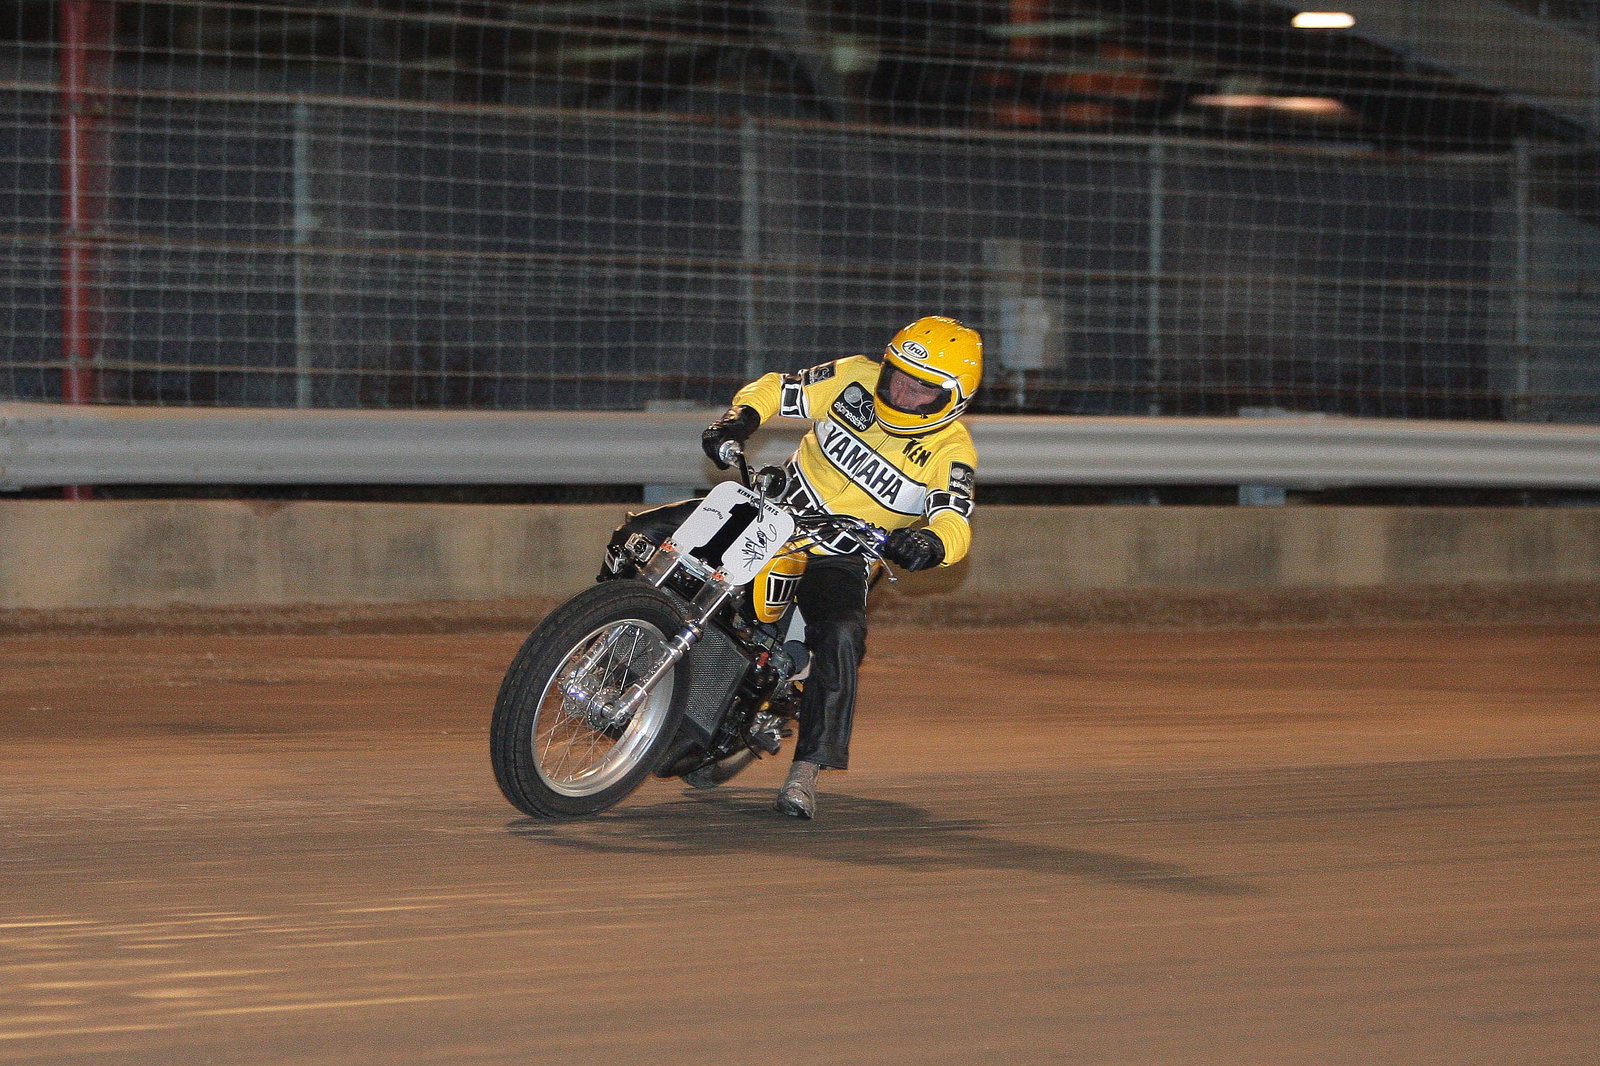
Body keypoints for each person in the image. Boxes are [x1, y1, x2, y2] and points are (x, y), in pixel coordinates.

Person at [700, 315, 982, 819]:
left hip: (842, 553)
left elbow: (956, 520)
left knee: (843, 632)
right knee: (656, 531)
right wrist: (741, 417)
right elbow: (776, 389)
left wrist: (931, 544)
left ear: (953, 399)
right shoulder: (852, 377)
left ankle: (806, 769)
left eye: (921, 388)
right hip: (774, 512)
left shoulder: (951, 449)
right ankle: (611, 624)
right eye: (897, 373)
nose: (901, 390)